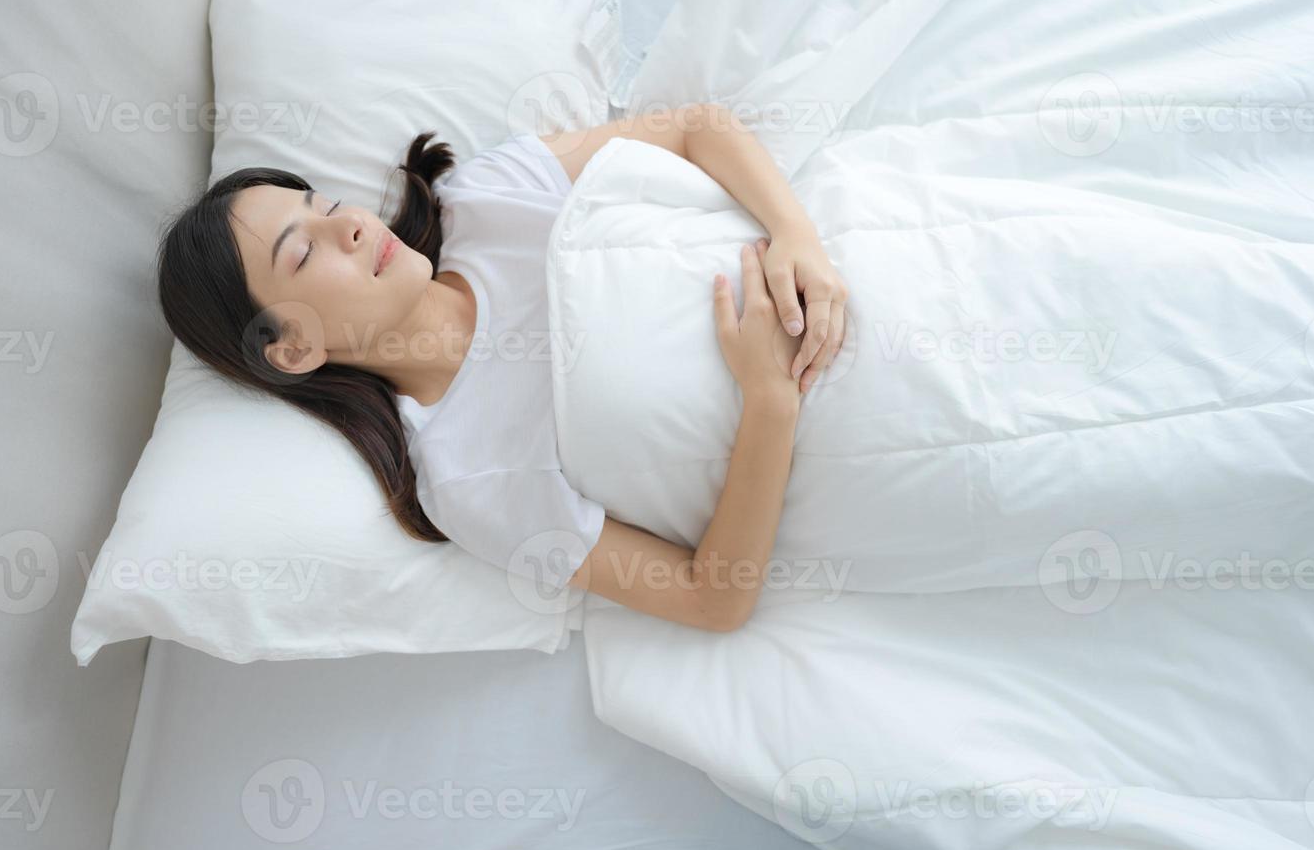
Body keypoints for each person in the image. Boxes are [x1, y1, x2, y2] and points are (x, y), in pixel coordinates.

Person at [157, 104, 848, 631]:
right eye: (303, 254)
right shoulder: (466, 477)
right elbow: (713, 596)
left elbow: (699, 129)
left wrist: (797, 236)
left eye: (328, 206)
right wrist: (769, 397)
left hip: (837, 256)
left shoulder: (487, 197)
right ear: (294, 348)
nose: (354, 226)